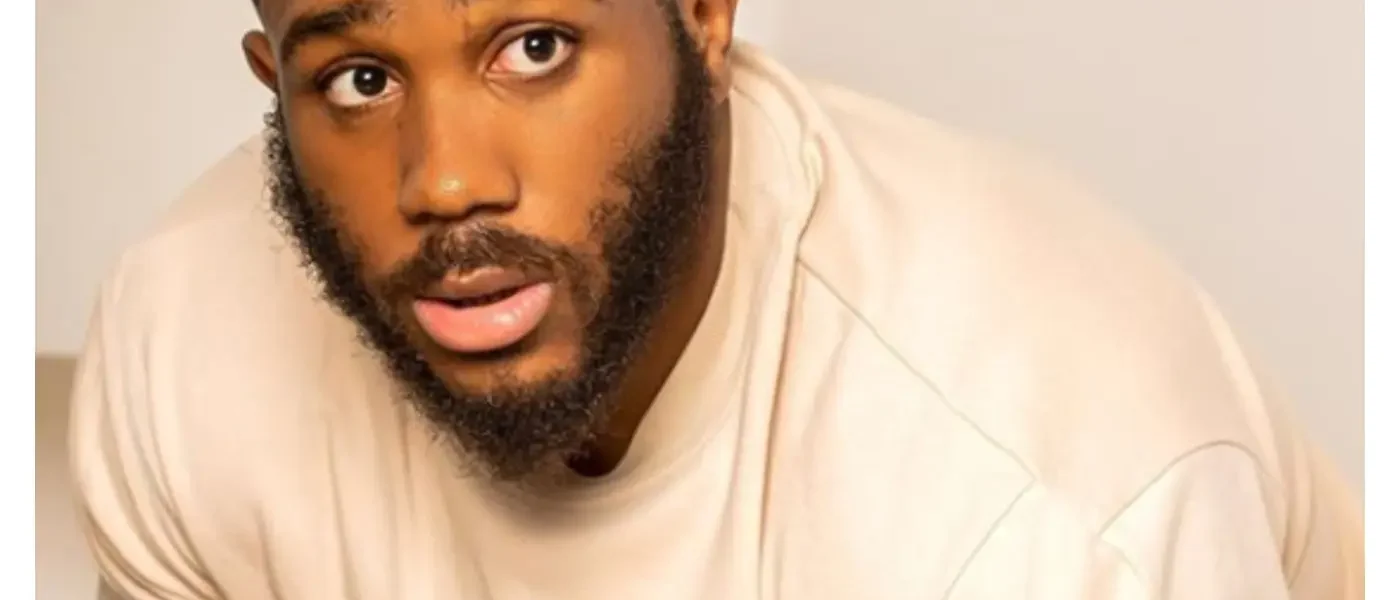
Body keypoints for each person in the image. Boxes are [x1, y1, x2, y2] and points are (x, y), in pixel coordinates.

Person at [69, 0, 1363, 597]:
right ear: (273, 83)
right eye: (359, 79)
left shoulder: (1054, 506)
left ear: (702, 14)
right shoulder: (187, 351)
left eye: (534, 48)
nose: (447, 180)